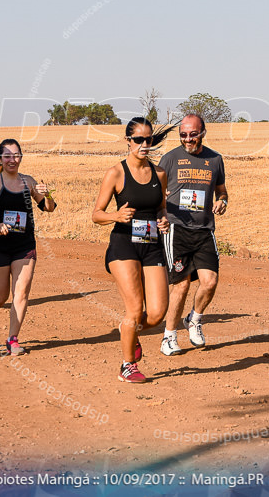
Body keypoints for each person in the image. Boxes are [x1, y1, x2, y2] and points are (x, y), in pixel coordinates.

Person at [92, 117, 173, 383]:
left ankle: (128, 331)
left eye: (148, 139)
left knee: (158, 313)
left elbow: (161, 207)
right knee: (135, 309)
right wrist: (115, 216)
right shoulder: (116, 173)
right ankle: (127, 366)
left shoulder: (160, 173)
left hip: (152, 246)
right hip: (123, 245)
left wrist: (163, 218)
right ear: (128, 141)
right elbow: (96, 214)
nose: (144, 144)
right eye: (138, 139)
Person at [0, 139, 56, 356]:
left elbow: (49, 208)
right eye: (7, 156)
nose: (12, 160)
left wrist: (46, 194)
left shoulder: (28, 182)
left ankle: (13, 339)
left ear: (21, 157)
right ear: (0, 159)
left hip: (24, 246)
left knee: (21, 292)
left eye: (16, 155)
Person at [159, 114, 229, 355]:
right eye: (183, 135)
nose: (188, 139)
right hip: (177, 229)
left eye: (193, 134)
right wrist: (161, 214)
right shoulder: (169, 159)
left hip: (204, 230)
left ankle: (194, 319)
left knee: (210, 282)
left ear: (203, 132)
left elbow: (222, 192)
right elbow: (156, 192)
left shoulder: (215, 159)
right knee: (181, 284)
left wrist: (222, 202)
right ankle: (168, 337)